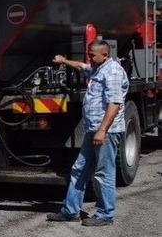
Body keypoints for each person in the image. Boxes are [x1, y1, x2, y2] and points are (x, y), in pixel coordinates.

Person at [47, 41, 128, 226]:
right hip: (93, 130)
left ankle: (105, 215)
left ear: (105, 54)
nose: (89, 58)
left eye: (92, 55)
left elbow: (114, 104)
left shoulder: (113, 71)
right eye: (88, 54)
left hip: (106, 132)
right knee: (79, 169)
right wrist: (64, 60)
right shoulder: (98, 68)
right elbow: (81, 66)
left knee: (103, 173)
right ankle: (71, 211)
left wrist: (102, 130)